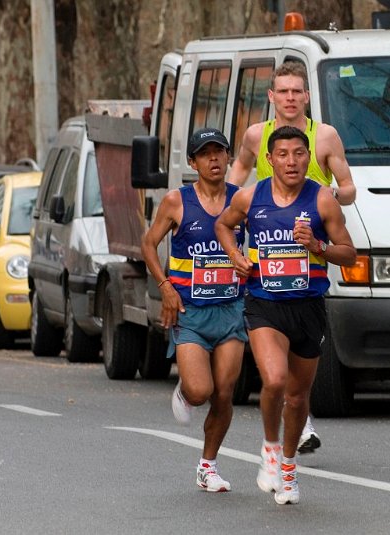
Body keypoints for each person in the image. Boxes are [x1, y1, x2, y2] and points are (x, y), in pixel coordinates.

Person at [216, 126, 356, 504]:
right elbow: (223, 225)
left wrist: (317, 246)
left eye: (298, 154)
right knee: (274, 380)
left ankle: (290, 469)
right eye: (283, 154)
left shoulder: (322, 200)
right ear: (270, 159)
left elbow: (350, 253)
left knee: (297, 396)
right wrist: (235, 257)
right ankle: (271, 450)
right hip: (264, 304)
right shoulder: (250, 197)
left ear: (308, 158)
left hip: (308, 305)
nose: (291, 161)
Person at [230, 60, 356, 454]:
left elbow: (349, 188)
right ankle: (293, 431)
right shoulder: (256, 135)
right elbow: (234, 180)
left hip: (312, 250)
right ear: (271, 97)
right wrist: (226, 232)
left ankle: (296, 416)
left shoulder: (325, 137)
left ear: (306, 96)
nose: (289, 98)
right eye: (281, 91)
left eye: (296, 91)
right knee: (275, 368)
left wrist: (327, 200)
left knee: (300, 360)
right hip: (269, 253)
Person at [141, 127, 248, 492]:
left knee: (225, 392)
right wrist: (165, 286)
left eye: (220, 152)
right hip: (191, 312)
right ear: (193, 162)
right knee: (202, 390)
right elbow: (149, 243)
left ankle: (208, 465)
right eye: (205, 154)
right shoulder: (177, 201)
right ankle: (186, 391)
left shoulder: (242, 200)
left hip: (231, 309)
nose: (214, 159)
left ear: (229, 157)